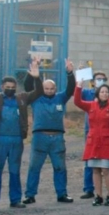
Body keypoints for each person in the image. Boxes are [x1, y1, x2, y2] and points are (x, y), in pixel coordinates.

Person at [0, 57, 43, 211]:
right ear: (2, 87)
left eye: (13, 87)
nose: (10, 89)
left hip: (16, 141)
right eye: (7, 87)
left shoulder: (22, 99)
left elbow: (39, 92)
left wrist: (36, 78)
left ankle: (15, 199)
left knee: (14, 171)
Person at [23, 59, 77, 205]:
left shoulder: (60, 98)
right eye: (46, 88)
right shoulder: (36, 97)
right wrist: (33, 72)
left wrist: (70, 73)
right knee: (34, 167)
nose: (48, 91)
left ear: (55, 89)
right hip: (39, 136)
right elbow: (28, 87)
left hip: (57, 138)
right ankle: (30, 195)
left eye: (51, 89)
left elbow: (71, 88)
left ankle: (62, 194)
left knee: (60, 167)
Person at [74, 75, 109, 206]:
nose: (104, 94)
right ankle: (98, 196)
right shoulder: (91, 105)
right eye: (102, 92)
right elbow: (77, 102)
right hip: (93, 142)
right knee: (95, 169)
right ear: (98, 93)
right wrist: (78, 87)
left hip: (107, 142)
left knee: (107, 170)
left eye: (106, 92)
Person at [79, 70, 109, 199]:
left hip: (107, 133)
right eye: (98, 79)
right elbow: (76, 93)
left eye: (103, 79)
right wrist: (80, 74)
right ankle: (89, 189)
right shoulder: (87, 93)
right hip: (90, 131)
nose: (100, 81)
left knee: (108, 162)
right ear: (92, 82)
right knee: (90, 161)